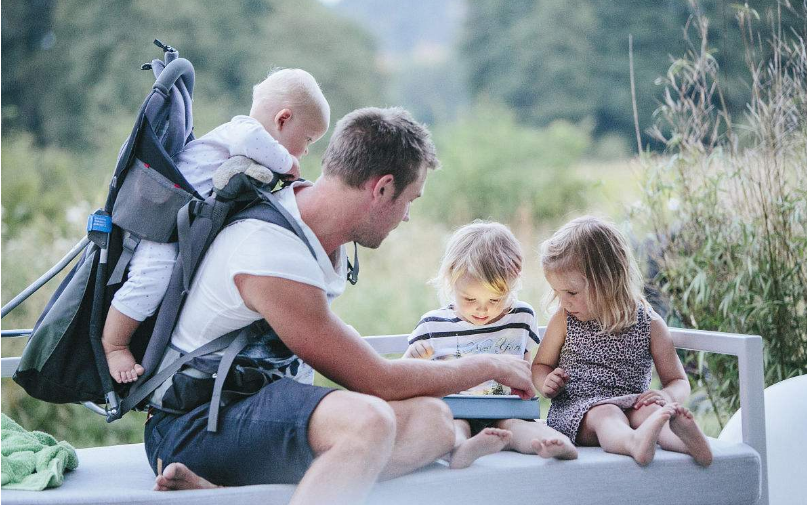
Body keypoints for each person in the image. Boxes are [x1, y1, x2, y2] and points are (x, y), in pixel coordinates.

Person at [146, 107, 537, 505]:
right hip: (197, 424)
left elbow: (358, 359)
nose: (406, 217)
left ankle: (231, 492)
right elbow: (376, 381)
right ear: (382, 188)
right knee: (368, 422)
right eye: (409, 200)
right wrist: (490, 364)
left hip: (261, 410)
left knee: (434, 423)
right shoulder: (269, 251)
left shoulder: (313, 228)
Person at [103, 68, 330, 383]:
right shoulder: (243, 131)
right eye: (307, 140)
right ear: (282, 119)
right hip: (159, 226)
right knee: (150, 280)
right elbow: (253, 142)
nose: (305, 151)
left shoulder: (247, 142)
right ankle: (114, 344)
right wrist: (287, 162)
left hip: (179, 228)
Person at [534, 216, 713, 466]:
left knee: (651, 412)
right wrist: (546, 383)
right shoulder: (564, 320)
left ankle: (692, 445)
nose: (564, 302)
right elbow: (540, 365)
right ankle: (633, 443)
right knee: (606, 413)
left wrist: (666, 397)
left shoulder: (649, 323)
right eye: (558, 293)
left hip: (631, 404)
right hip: (580, 411)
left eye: (571, 292)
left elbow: (678, 380)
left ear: (607, 282)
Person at [403, 221, 578, 469]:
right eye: (470, 298)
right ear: (451, 279)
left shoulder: (521, 317)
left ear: (513, 280)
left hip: (504, 409)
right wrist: (414, 356)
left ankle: (551, 444)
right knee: (454, 427)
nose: (482, 309)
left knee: (517, 427)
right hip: (455, 409)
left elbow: (525, 367)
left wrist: (528, 388)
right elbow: (404, 376)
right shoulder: (434, 324)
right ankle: (461, 449)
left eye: (496, 299)